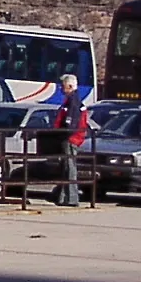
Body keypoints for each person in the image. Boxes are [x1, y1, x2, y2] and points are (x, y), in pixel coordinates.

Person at [52, 74, 88, 206]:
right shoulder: (72, 101)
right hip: (70, 137)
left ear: (70, 86)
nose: (61, 89)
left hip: (70, 138)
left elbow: (71, 123)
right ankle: (64, 197)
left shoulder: (73, 102)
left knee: (70, 167)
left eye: (63, 86)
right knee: (66, 167)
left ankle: (72, 198)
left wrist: (64, 134)